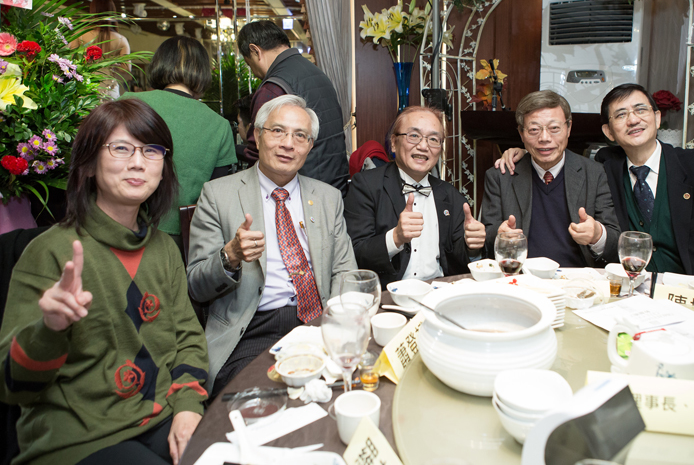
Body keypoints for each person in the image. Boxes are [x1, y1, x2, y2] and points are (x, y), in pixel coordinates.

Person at [0, 99, 208, 465]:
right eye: (121, 148)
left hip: (160, 417)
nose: (138, 162)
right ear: (88, 164)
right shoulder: (50, 252)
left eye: (152, 150)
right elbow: (12, 387)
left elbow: (188, 339)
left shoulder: (164, 248)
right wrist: (49, 329)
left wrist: (189, 406)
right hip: (79, 437)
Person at [496, 84, 694, 275]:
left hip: (690, 288)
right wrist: (525, 152)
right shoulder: (604, 167)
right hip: (628, 290)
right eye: (621, 115)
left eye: (641, 110)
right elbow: (556, 157)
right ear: (609, 132)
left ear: (657, 118)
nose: (633, 120)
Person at [187, 94, 357, 396]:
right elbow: (196, 286)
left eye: (300, 136)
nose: (288, 144)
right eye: (278, 131)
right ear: (257, 134)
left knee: (348, 390)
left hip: (317, 323)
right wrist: (230, 256)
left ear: (310, 146)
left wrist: (336, 327)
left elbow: (345, 273)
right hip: (251, 330)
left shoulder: (328, 198)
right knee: (258, 403)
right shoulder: (218, 195)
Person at [344, 107, 486, 286]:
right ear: (393, 142)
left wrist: (472, 246)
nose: (423, 146)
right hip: (388, 294)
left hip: (439, 290)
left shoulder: (450, 195)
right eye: (414, 136)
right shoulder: (366, 185)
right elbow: (354, 254)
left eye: (433, 139)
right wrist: (395, 238)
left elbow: (456, 260)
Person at [120, 36, 237, 251]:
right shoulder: (220, 125)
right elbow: (218, 192)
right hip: (182, 238)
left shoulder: (128, 103)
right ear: (203, 72)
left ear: (158, 64)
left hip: (123, 225)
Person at [482, 90, 619, 267]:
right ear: (521, 133)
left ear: (568, 128)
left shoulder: (594, 173)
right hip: (520, 277)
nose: (544, 138)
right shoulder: (500, 176)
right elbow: (485, 239)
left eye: (554, 128)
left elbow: (615, 243)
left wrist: (597, 235)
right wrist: (499, 236)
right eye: (534, 130)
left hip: (577, 278)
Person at [237, 21, 349, 193]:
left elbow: (258, 153)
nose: (253, 71)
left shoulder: (273, 88)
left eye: (248, 63)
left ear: (255, 51)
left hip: (301, 191)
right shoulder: (317, 73)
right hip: (335, 184)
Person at [74, 0, 131, 100]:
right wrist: (111, 62)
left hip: (86, 88)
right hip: (109, 89)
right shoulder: (121, 39)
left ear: (93, 11)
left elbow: (70, 60)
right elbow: (127, 69)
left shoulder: (80, 35)